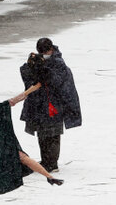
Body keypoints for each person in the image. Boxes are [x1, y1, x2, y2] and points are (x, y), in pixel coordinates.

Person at [20, 37, 83, 173]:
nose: (44, 55)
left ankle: (52, 163)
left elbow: (58, 82)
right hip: (40, 104)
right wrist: (31, 67)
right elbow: (31, 79)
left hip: (54, 105)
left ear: (51, 49)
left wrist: (45, 71)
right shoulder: (40, 60)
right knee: (42, 133)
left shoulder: (59, 63)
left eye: (45, 52)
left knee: (53, 133)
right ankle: (45, 160)